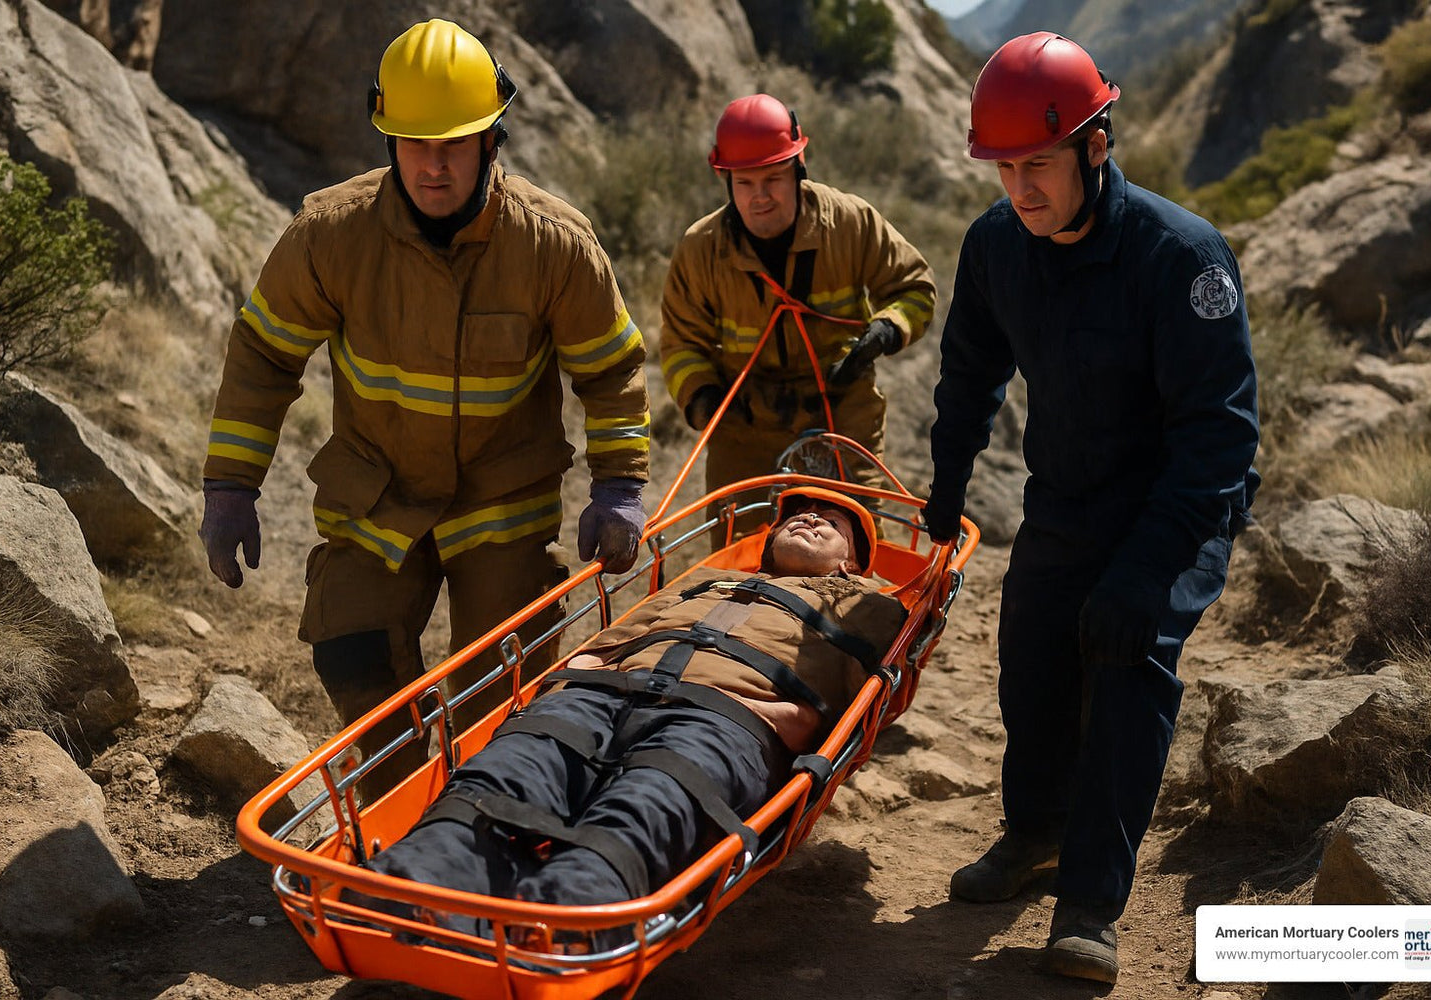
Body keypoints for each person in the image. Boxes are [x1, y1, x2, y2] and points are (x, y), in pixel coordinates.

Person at [197, 19, 651, 794]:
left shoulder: (555, 245)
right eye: (414, 143)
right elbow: (265, 356)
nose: (434, 165)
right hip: (380, 494)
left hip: (500, 502)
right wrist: (230, 485)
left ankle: (485, 816)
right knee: (353, 654)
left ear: (492, 140)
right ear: (387, 140)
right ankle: (412, 810)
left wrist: (621, 486)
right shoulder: (330, 236)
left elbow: (609, 372)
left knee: (499, 690)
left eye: (454, 143)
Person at [922, 33, 1260, 985]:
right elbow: (968, 373)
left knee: (1125, 660)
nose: (1020, 189)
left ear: (1096, 148)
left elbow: (1221, 440)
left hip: (1178, 504)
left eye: (1038, 165)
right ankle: (1032, 833)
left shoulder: (1182, 257)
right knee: (1031, 648)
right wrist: (948, 480)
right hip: (1067, 493)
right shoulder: (998, 245)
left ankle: (1090, 901)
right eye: (1004, 169)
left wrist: (1149, 570)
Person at [353, 486, 904, 938]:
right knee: (511, 769)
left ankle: (562, 920)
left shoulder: (870, 603)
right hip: (606, 692)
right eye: (798, 513)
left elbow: (865, 702)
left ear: (852, 561)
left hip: (730, 717)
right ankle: (415, 883)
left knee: (650, 799)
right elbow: (612, 638)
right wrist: (568, 685)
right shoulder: (707, 580)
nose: (809, 517)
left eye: (830, 520)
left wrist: (794, 720)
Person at [660, 94, 936, 537]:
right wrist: (704, 399)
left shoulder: (849, 223)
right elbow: (679, 344)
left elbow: (916, 288)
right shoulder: (701, 250)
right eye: (745, 183)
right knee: (741, 567)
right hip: (745, 429)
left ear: (798, 168)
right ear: (726, 181)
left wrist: (886, 331)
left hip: (842, 419)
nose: (761, 197)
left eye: (774, 178)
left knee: (853, 550)